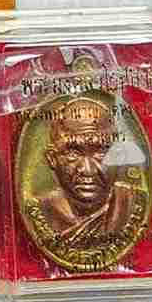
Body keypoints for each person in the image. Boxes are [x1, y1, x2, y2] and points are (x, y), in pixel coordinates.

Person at [34, 94, 134, 244]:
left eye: (100, 152)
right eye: (73, 153)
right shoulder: (41, 210)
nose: (88, 170)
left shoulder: (129, 203)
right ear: (52, 159)